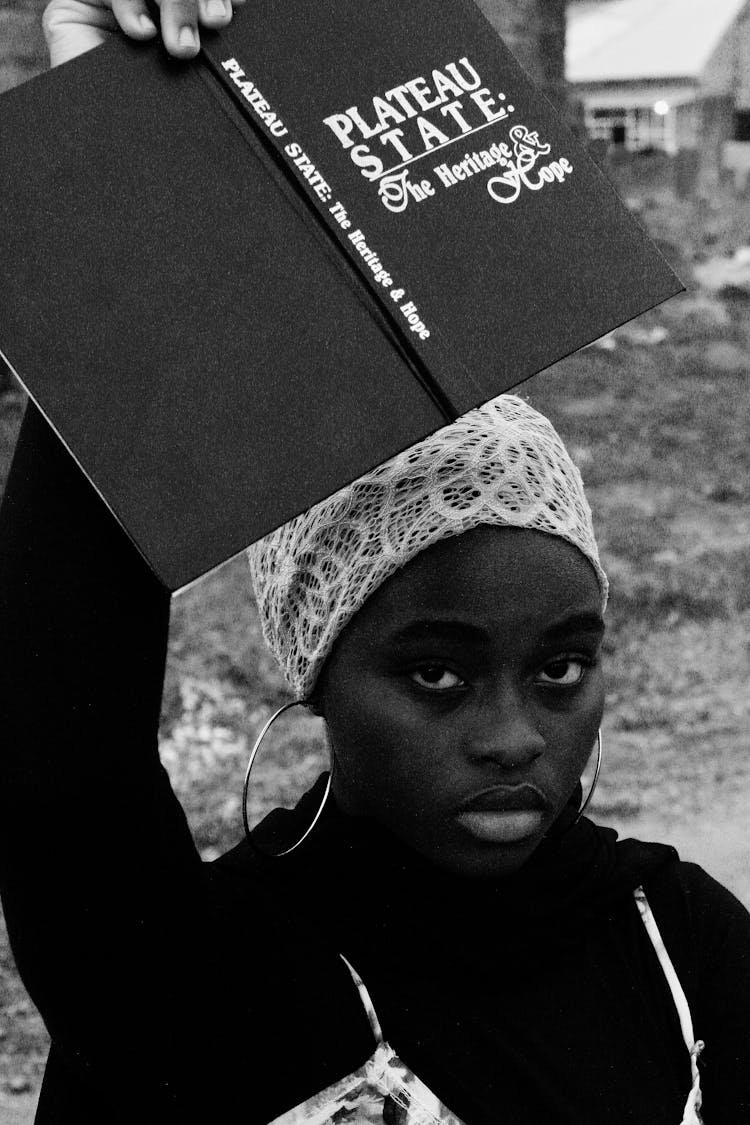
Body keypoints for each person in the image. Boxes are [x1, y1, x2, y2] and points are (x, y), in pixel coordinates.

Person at [1, 5, 749, 1124]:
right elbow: (61, 774)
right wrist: (133, 163)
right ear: (317, 675)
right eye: (436, 674)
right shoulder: (209, 987)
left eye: (560, 669)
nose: (511, 737)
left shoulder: (678, 944)